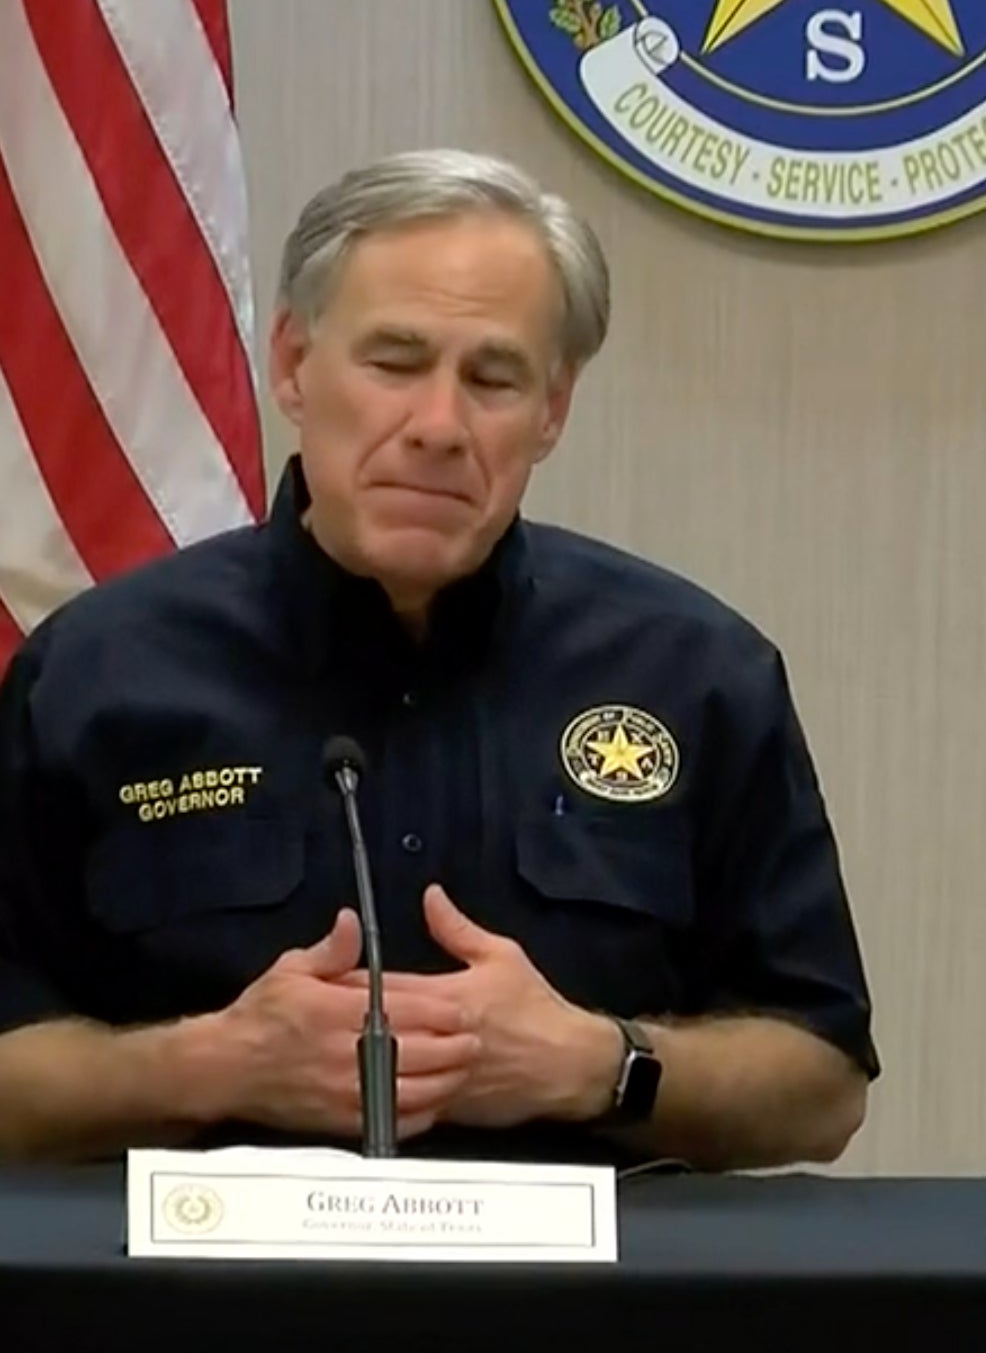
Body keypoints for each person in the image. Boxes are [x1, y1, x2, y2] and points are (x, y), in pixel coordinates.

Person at [0, 148, 877, 1172]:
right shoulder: (95, 676)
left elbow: (820, 1090)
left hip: (594, 1324)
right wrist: (208, 1066)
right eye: (395, 362)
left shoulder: (693, 672)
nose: (438, 427)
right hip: (204, 1320)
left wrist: (603, 1064)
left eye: (494, 378)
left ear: (552, 409)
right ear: (291, 364)